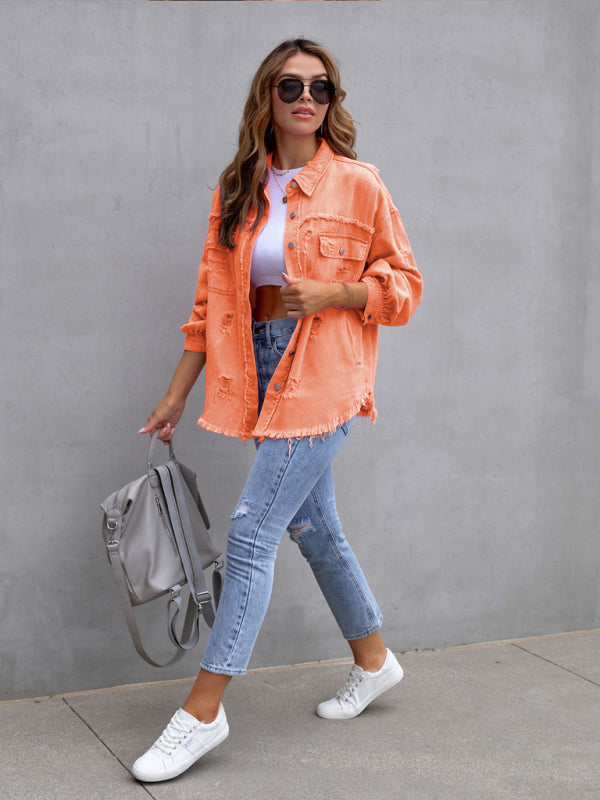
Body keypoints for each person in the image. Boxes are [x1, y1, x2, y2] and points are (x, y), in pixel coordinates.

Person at [134, 37, 422, 783]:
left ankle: (203, 711)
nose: (306, 99)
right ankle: (374, 660)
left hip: (323, 370)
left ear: (333, 101)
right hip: (256, 368)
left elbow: (405, 289)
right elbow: (210, 305)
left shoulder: (358, 184)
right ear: (267, 95)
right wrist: (176, 393)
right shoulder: (239, 186)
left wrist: (337, 292)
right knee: (312, 526)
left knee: (251, 531)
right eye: (290, 85)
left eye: (321, 88)